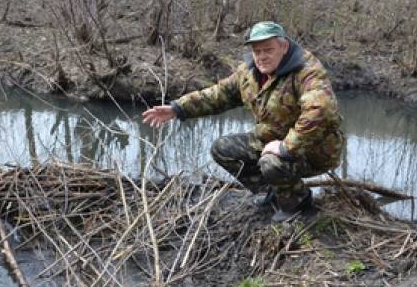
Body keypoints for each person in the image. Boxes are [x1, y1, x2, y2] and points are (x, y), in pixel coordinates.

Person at [142, 21, 345, 222]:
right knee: (223, 149)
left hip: (314, 150)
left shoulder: (306, 70)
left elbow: (322, 110)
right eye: (257, 51)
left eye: (268, 50)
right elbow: (219, 94)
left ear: (284, 47)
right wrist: (178, 108)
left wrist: (286, 147)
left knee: (271, 162)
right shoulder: (249, 72)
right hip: (272, 138)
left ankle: (299, 204)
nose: (262, 56)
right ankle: (276, 192)